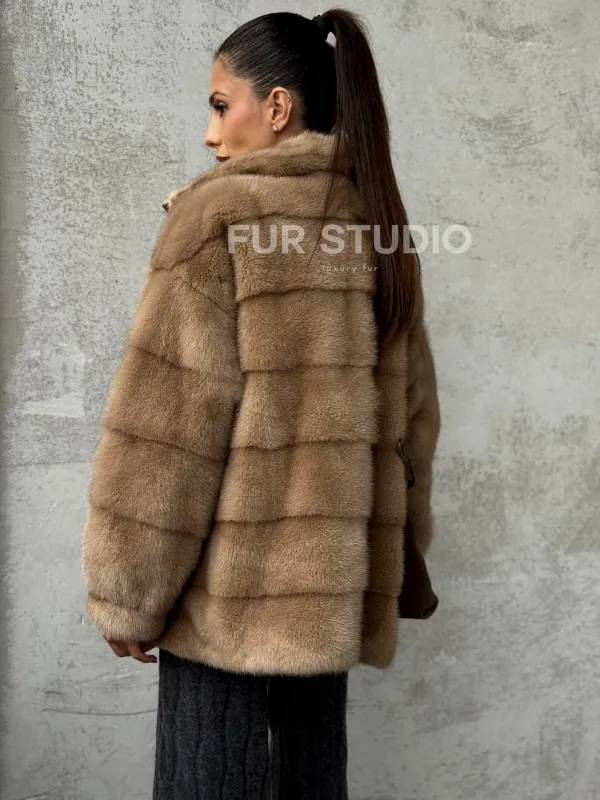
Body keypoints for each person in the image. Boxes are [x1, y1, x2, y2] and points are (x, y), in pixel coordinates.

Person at [80, 8, 441, 799]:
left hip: (226, 608)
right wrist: (389, 562)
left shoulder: (217, 218)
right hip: (328, 611)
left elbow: (170, 430)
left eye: (221, 105)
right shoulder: (375, 223)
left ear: (276, 107)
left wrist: (127, 594)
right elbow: (411, 424)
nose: (211, 135)